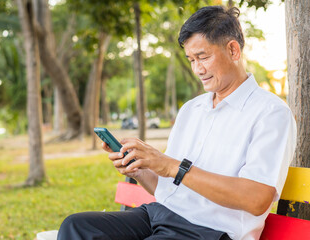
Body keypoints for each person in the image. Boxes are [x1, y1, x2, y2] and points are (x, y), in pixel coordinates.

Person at [57, 5, 296, 240]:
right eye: (191, 59)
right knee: (77, 227)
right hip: (160, 215)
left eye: (203, 57)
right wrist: (140, 169)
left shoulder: (271, 113)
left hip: (211, 231)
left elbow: (256, 199)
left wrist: (172, 166)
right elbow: (167, 186)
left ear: (233, 50)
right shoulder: (191, 110)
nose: (197, 69)